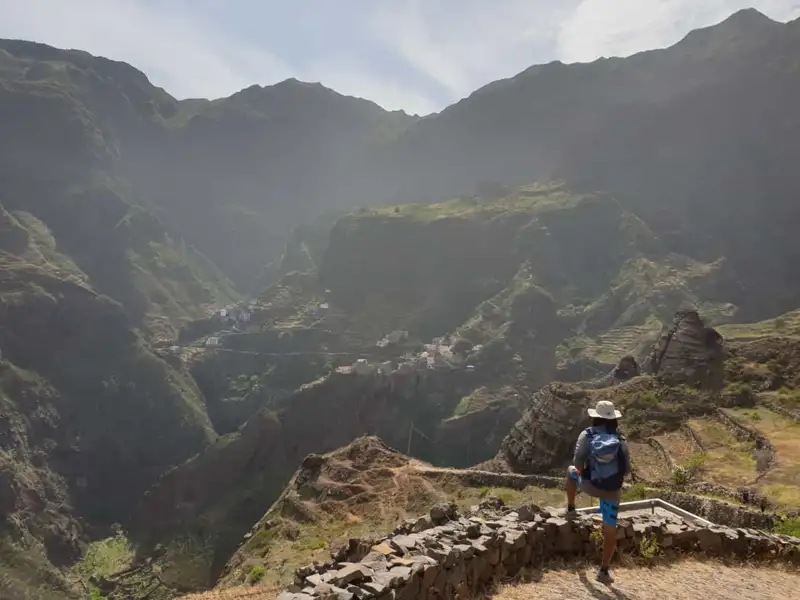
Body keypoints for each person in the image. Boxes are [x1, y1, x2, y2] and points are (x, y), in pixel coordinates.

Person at [565, 400, 631, 584]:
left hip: (590, 486)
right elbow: (626, 470)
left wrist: (589, 470)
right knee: (610, 531)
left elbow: (577, 464)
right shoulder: (621, 440)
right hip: (612, 491)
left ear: (595, 417)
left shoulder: (587, 436)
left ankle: (571, 509)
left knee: (570, 471)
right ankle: (604, 571)